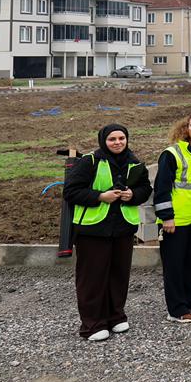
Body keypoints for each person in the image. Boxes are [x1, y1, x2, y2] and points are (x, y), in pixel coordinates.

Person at [64, 123, 149, 341]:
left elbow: (145, 189)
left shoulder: (135, 162)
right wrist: (100, 196)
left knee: (119, 275)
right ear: (104, 140)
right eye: (113, 139)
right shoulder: (89, 162)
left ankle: (116, 316)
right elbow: (71, 191)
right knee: (92, 278)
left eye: (121, 138)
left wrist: (134, 195)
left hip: (122, 229)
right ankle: (92, 324)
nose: (118, 142)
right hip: (93, 230)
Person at [154, 113, 191, 323]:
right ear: (186, 127)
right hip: (176, 221)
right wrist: (166, 217)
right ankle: (176, 309)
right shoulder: (172, 154)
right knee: (174, 266)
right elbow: (161, 188)